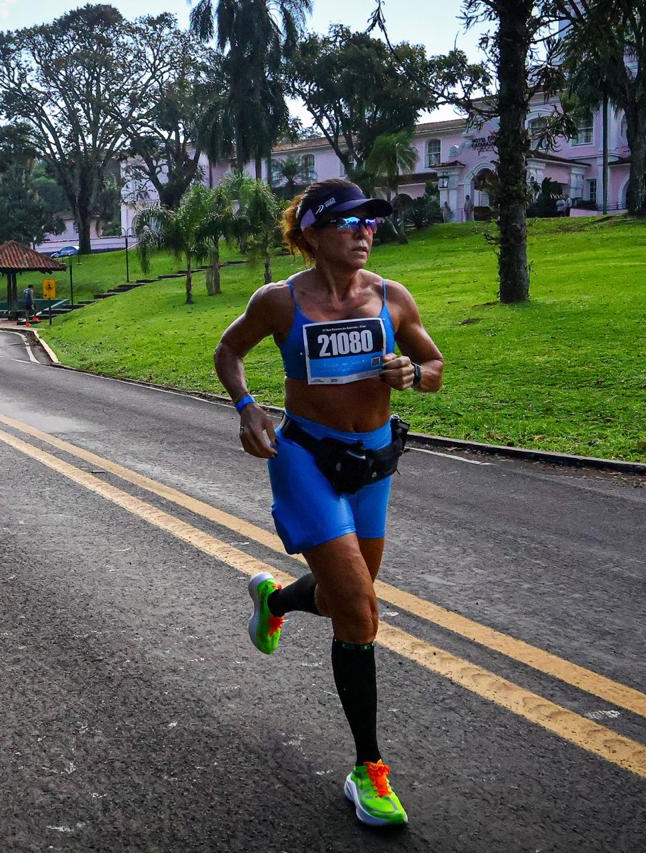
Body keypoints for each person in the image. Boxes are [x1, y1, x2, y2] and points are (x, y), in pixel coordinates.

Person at [214, 178, 444, 828]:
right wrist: (246, 405)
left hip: (373, 463)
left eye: (370, 220)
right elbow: (228, 350)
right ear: (312, 233)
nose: (364, 231)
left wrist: (411, 373)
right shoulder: (279, 302)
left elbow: (436, 368)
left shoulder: (392, 299)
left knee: (353, 591)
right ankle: (368, 770)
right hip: (305, 460)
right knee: (361, 611)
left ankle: (275, 599)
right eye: (348, 221)